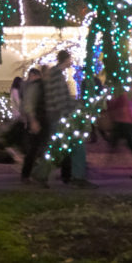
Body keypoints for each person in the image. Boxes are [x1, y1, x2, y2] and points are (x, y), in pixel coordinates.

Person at [40, 50, 95, 188]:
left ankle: (43, 175)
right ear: (66, 59)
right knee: (75, 146)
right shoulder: (57, 75)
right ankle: (77, 177)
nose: (72, 62)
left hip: (58, 117)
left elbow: (62, 99)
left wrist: (76, 104)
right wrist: (72, 112)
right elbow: (60, 100)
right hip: (61, 118)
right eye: (71, 59)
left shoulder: (55, 74)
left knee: (58, 149)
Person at [107, 87, 132, 179]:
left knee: (117, 143)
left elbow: (115, 104)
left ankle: (108, 163)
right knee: (131, 146)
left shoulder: (120, 91)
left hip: (122, 120)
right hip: (130, 120)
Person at [20, 68, 47, 184]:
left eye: (31, 76)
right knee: (35, 149)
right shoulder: (36, 86)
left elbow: (27, 105)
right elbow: (28, 105)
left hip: (39, 120)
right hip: (38, 120)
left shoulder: (37, 86)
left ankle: (33, 174)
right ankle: (30, 174)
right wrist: (33, 120)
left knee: (35, 148)